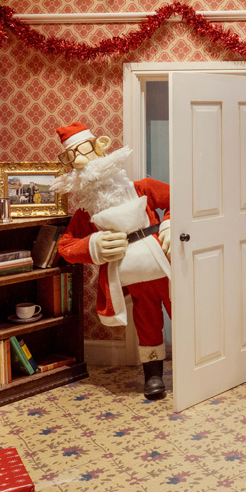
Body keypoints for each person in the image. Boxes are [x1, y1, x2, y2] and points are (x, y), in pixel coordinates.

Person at [52, 123, 173, 400]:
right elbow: (65, 246)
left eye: (83, 152)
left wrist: (169, 224)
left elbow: (182, 199)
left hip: (166, 266)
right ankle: (153, 374)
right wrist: (93, 246)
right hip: (131, 275)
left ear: (101, 148)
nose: (80, 162)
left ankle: (198, 365)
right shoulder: (85, 213)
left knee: (184, 311)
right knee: (146, 320)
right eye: (72, 157)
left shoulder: (142, 188)